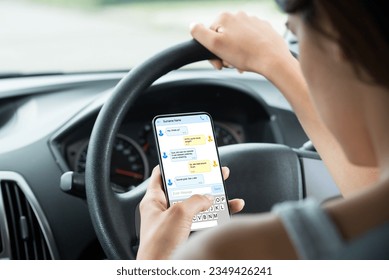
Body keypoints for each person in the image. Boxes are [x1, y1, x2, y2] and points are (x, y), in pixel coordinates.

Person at [137, 0, 389, 259]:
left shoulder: (223, 252)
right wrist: (274, 60)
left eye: (296, 37)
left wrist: (154, 257)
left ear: (338, 44)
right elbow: (372, 192)